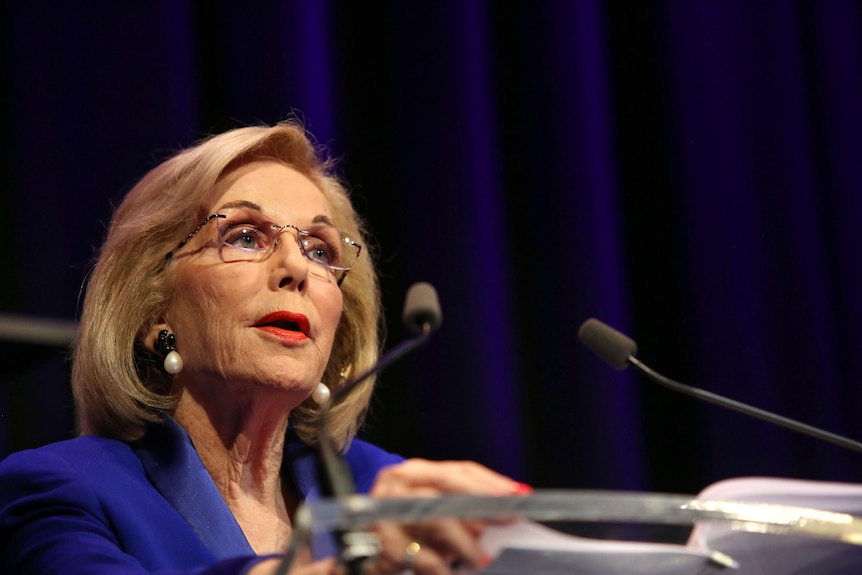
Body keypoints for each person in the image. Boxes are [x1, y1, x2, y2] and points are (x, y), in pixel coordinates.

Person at [0, 122, 528, 575]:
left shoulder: (379, 488)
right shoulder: (59, 491)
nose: (296, 268)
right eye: (246, 236)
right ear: (150, 309)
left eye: (319, 249)